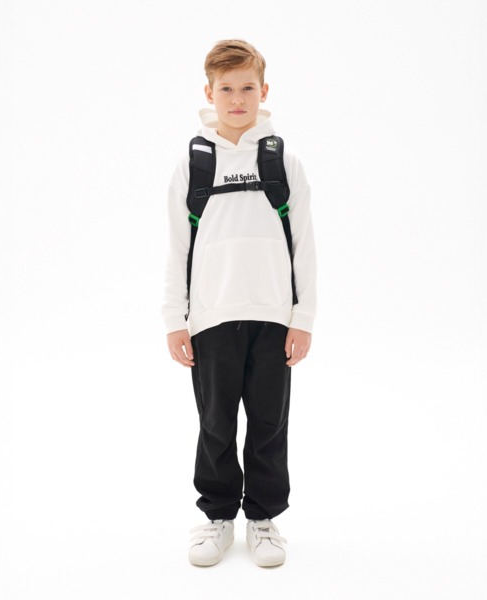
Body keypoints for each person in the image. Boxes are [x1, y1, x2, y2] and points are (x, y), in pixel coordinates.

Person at [161, 39, 317, 568]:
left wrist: (303, 318)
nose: (236, 98)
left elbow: (304, 246)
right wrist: (175, 320)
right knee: (216, 423)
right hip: (210, 318)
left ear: (263, 91)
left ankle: (264, 520)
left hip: (273, 318)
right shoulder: (193, 164)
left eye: (247, 87)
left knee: (269, 424)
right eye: (225, 88)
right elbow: (177, 248)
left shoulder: (283, 162)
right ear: (209, 93)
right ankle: (218, 518)